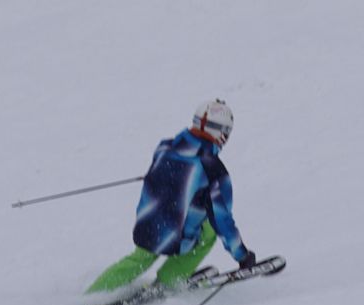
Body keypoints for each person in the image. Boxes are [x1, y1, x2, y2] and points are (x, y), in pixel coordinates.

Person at [85, 99, 256, 294]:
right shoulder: (213, 169)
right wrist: (242, 255)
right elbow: (222, 219)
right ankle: (168, 280)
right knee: (208, 233)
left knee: (140, 259)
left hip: (148, 225)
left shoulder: (164, 147)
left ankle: (92, 294)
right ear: (219, 132)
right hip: (177, 235)